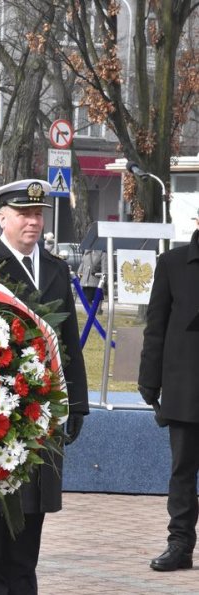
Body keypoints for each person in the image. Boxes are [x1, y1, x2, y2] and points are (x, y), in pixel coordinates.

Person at [0, 179, 88, 595]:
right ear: (3, 216)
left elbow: (69, 341)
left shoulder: (55, 267)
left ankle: (23, 589)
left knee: (32, 512)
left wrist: (79, 404)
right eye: (24, 214)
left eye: (39, 214)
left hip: (44, 411)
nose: (33, 222)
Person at [139, 209, 199, 572]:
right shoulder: (173, 264)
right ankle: (180, 544)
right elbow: (155, 326)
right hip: (186, 388)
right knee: (182, 471)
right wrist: (149, 382)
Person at [78, 248, 106, 315]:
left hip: (97, 280)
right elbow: (83, 263)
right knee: (87, 299)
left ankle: (97, 311)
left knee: (98, 298)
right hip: (86, 280)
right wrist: (79, 271)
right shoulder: (86, 252)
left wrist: (104, 277)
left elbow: (104, 266)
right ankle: (92, 313)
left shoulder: (102, 252)